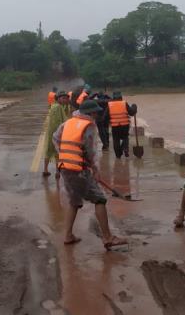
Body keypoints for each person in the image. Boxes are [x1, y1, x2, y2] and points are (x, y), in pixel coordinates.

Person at [53, 100, 128, 250]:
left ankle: (68, 236)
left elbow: (55, 138)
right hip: (78, 170)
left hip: (65, 167)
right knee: (99, 199)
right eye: (96, 112)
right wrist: (95, 170)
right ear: (90, 113)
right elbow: (91, 151)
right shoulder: (89, 126)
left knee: (74, 201)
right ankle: (108, 238)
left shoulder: (68, 123)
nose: (97, 114)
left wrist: (65, 155)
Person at [43, 90, 72, 178]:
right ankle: (57, 172)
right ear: (58, 99)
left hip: (51, 133)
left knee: (49, 151)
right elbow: (60, 122)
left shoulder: (55, 106)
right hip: (56, 134)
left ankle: (46, 170)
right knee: (57, 152)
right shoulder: (58, 107)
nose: (65, 100)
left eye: (66, 98)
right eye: (63, 98)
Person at [106, 91, 137, 158]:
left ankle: (118, 155)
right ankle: (125, 148)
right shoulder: (124, 103)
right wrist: (134, 107)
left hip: (115, 126)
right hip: (125, 125)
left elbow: (106, 117)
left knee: (116, 140)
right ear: (121, 97)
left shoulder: (110, 104)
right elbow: (131, 112)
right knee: (125, 137)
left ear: (113, 97)